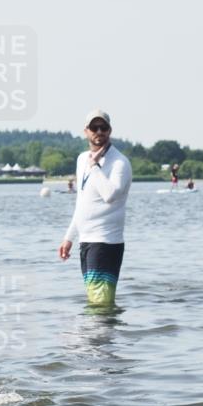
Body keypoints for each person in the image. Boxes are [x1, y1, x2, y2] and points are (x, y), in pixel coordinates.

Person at [58, 109, 133, 307]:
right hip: (86, 241)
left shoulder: (120, 162)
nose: (99, 131)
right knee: (95, 301)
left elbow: (110, 195)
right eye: (94, 127)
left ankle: (104, 328)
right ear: (86, 131)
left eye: (103, 127)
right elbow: (82, 202)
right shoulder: (82, 159)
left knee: (100, 305)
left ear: (110, 130)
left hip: (106, 241)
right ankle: (101, 329)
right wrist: (69, 237)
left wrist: (94, 166)